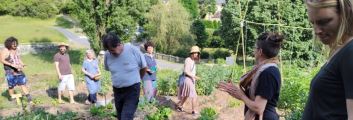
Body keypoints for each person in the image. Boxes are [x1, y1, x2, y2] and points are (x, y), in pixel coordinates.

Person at [302, 0, 353, 119]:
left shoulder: (350, 52)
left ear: (345, 14)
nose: (317, 31)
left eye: (324, 22)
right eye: (313, 23)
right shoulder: (340, 51)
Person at [218, 32, 284, 120]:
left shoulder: (268, 72)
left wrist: (241, 96)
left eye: (255, 48)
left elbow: (258, 108)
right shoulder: (265, 69)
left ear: (260, 51)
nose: (254, 51)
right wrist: (236, 91)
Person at [102, 32, 147, 120]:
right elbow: (109, 69)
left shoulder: (131, 49)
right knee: (120, 116)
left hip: (132, 90)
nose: (111, 53)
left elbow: (144, 67)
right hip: (117, 91)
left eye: (112, 50)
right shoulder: (107, 55)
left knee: (126, 117)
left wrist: (138, 79)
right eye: (109, 50)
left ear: (119, 44)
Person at [0, 37, 32, 103]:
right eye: (13, 44)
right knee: (11, 85)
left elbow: (18, 58)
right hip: (10, 71)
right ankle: (12, 97)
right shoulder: (5, 50)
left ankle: (29, 99)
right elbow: (2, 60)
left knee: (22, 83)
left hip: (18, 70)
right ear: (9, 44)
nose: (15, 45)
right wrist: (11, 65)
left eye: (16, 43)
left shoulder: (16, 49)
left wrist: (22, 64)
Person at [176, 46, 201, 115]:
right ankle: (194, 111)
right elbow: (186, 71)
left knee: (186, 95)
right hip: (187, 79)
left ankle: (180, 107)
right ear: (192, 53)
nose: (196, 54)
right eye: (195, 53)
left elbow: (191, 71)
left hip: (190, 80)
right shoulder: (188, 60)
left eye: (197, 53)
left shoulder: (193, 61)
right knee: (194, 96)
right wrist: (194, 77)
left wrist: (194, 79)